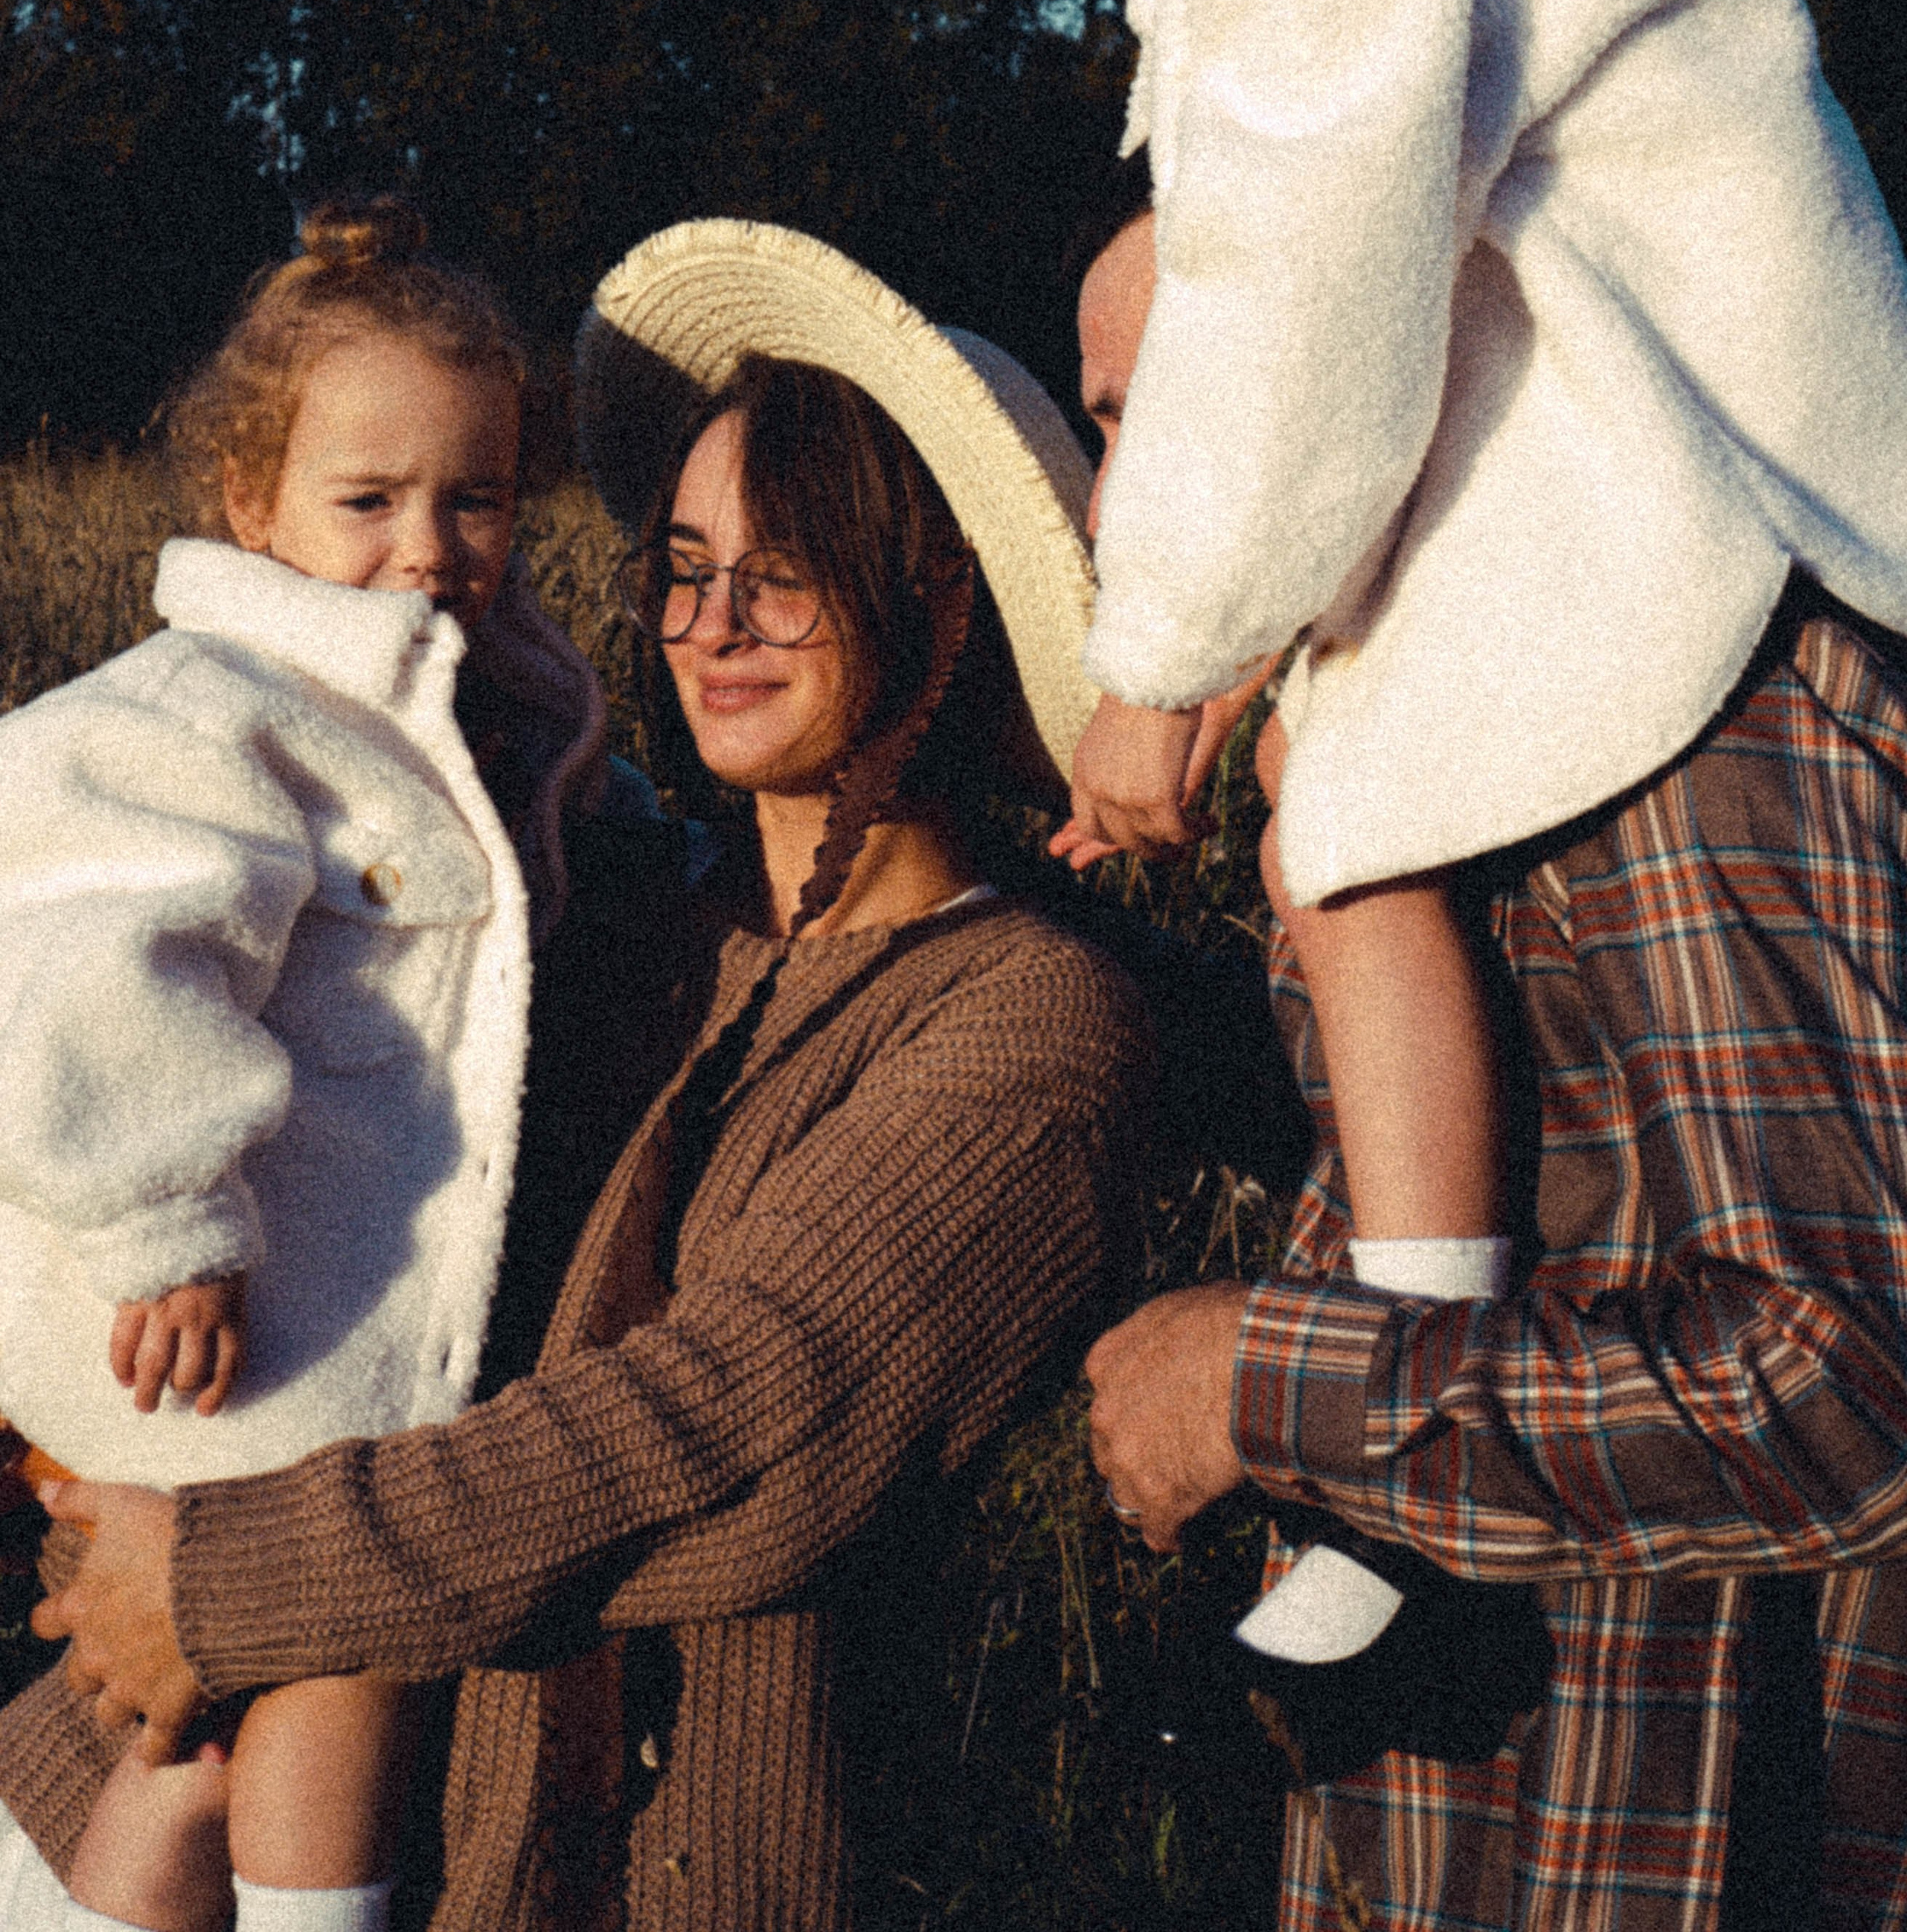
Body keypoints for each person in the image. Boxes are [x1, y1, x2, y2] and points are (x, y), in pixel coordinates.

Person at [919, 0, 1907, 1663]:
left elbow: (1297, 287)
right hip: (1633, 595)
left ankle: (1370, 1428)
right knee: (1340, 860)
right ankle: (1393, 1433)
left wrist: (1161, 662)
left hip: (1704, 622)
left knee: (1352, 871)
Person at [10, 218, 1152, 1932]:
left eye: (795, 566)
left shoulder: (1025, 1021)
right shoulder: (603, 909)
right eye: (685, 563)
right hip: (162, 1767)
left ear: (940, 597)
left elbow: (729, 1435)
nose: (714, 622)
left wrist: (225, 1579)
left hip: (623, 1863)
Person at [1076, 186, 1907, 1929]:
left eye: (1183, 405)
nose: (1132, 494)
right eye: (1109, 428)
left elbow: (1841, 1375)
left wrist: (1257, 1379)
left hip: (1664, 1834)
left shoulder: (1694, 721)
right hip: (1473, 1824)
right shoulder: (1414, 724)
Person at [0, 198, 613, 1932]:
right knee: (337, 1643)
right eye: (365, 501)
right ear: (248, 504)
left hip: (301, 1317)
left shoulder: (452, 706)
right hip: (218, 1321)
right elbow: (81, 960)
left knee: (187, 1739)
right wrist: (167, 1218)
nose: (427, 545)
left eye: (474, 497)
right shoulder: (207, 709)